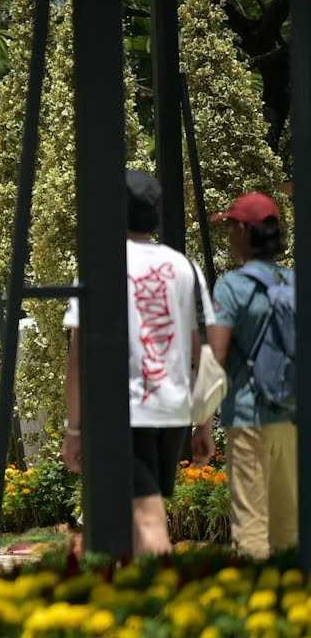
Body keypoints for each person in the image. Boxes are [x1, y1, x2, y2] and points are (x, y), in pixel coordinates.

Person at [62, 170, 215, 555]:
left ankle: (165, 606)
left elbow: (78, 357)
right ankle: (135, 601)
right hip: (174, 412)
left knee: (146, 517)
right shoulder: (186, 268)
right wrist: (204, 421)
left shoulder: (103, 266)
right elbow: (204, 352)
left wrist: (75, 427)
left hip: (126, 410)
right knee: (138, 513)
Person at [207, 192, 297, 559]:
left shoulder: (232, 287)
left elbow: (216, 355)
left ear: (244, 231)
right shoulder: (294, 282)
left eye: (230, 227)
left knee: (251, 528)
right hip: (292, 418)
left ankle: (257, 603)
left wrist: (201, 422)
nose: (228, 236)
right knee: (289, 527)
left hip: (248, 417)